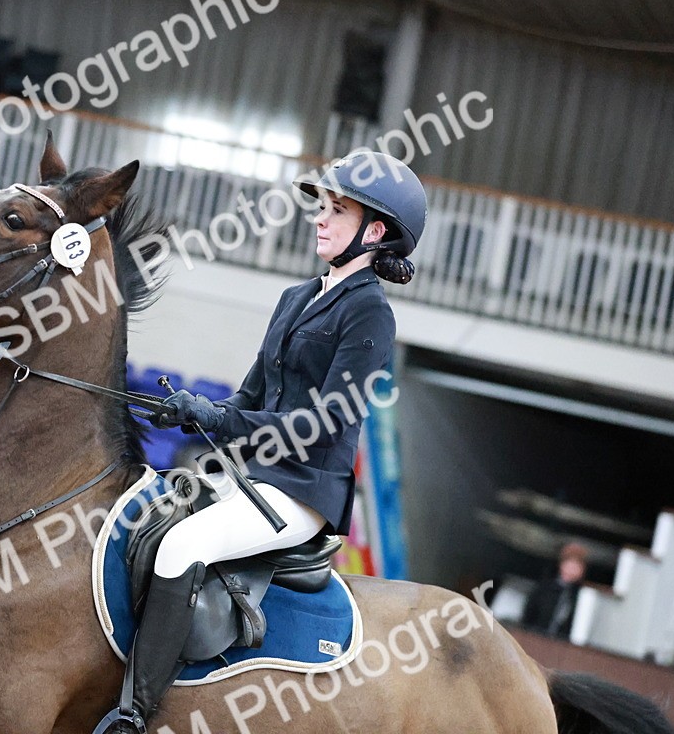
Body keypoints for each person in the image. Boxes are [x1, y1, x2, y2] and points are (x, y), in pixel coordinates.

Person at [94, 150, 428, 734]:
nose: (320, 219)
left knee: (182, 548)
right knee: (147, 519)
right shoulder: (296, 297)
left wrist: (220, 421)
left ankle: (134, 715)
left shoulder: (372, 314)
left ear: (375, 232)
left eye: (338, 211)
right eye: (322, 207)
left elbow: (323, 422)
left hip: (303, 491)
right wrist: (193, 411)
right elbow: (250, 397)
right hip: (252, 478)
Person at [521, 542, 588, 639]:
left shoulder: (580, 596)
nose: (572, 570)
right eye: (569, 564)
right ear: (561, 564)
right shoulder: (545, 588)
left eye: (577, 566)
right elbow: (529, 613)